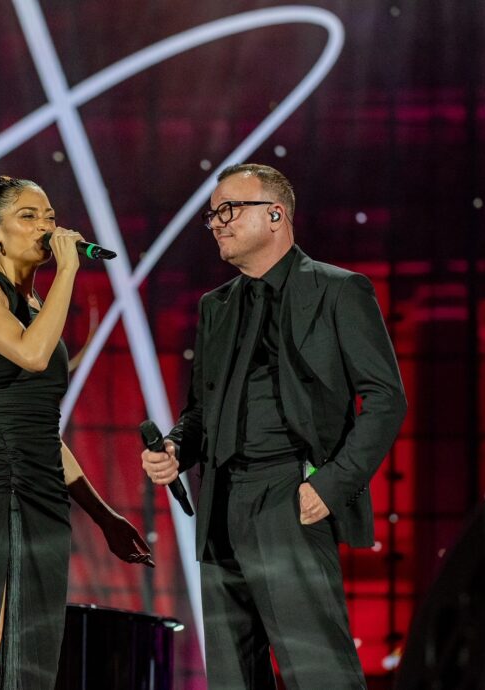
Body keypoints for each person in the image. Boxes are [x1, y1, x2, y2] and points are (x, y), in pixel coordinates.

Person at [142, 164, 407, 689]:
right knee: (233, 677)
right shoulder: (215, 306)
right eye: (211, 215)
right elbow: (201, 410)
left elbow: (385, 399)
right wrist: (175, 446)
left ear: (275, 214)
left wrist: (329, 487)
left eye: (228, 210)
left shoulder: (338, 290)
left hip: (292, 496)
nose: (217, 223)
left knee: (318, 671)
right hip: (221, 502)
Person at [0, 176, 153, 690]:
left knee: (34, 645)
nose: (46, 226)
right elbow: (31, 356)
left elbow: (45, 432)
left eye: (50, 215)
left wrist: (105, 516)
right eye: (29, 216)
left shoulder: (40, 311)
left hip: (43, 487)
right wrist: (71, 269)